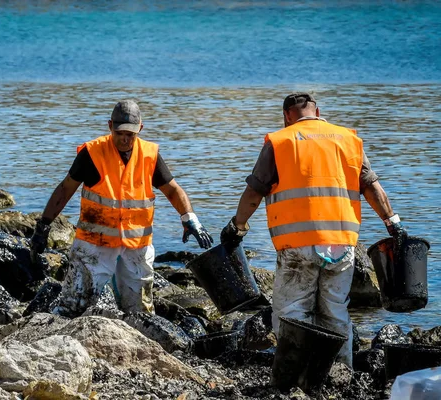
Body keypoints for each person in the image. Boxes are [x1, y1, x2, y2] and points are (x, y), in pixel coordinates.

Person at [220, 92, 406, 367]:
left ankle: (294, 373)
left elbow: (254, 192)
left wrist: (237, 227)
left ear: (286, 116)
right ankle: (341, 372)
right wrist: (393, 223)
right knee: (335, 312)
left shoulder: (281, 141)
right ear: (317, 112)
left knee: (292, 313)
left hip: (298, 245)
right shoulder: (348, 140)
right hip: (341, 244)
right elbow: (371, 187)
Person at [30, 99, 213, 317]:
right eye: (120, 133)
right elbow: (64, 190)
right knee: (74, 306)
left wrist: (189, 218)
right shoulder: (92, 153)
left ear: (140, 129)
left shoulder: (149, 155)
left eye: (131, 135)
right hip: (94, 244)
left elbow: (173, 190)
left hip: (137, 247)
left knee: (140, 312)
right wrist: (43, 225)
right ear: (110, 127)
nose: (125, 139)